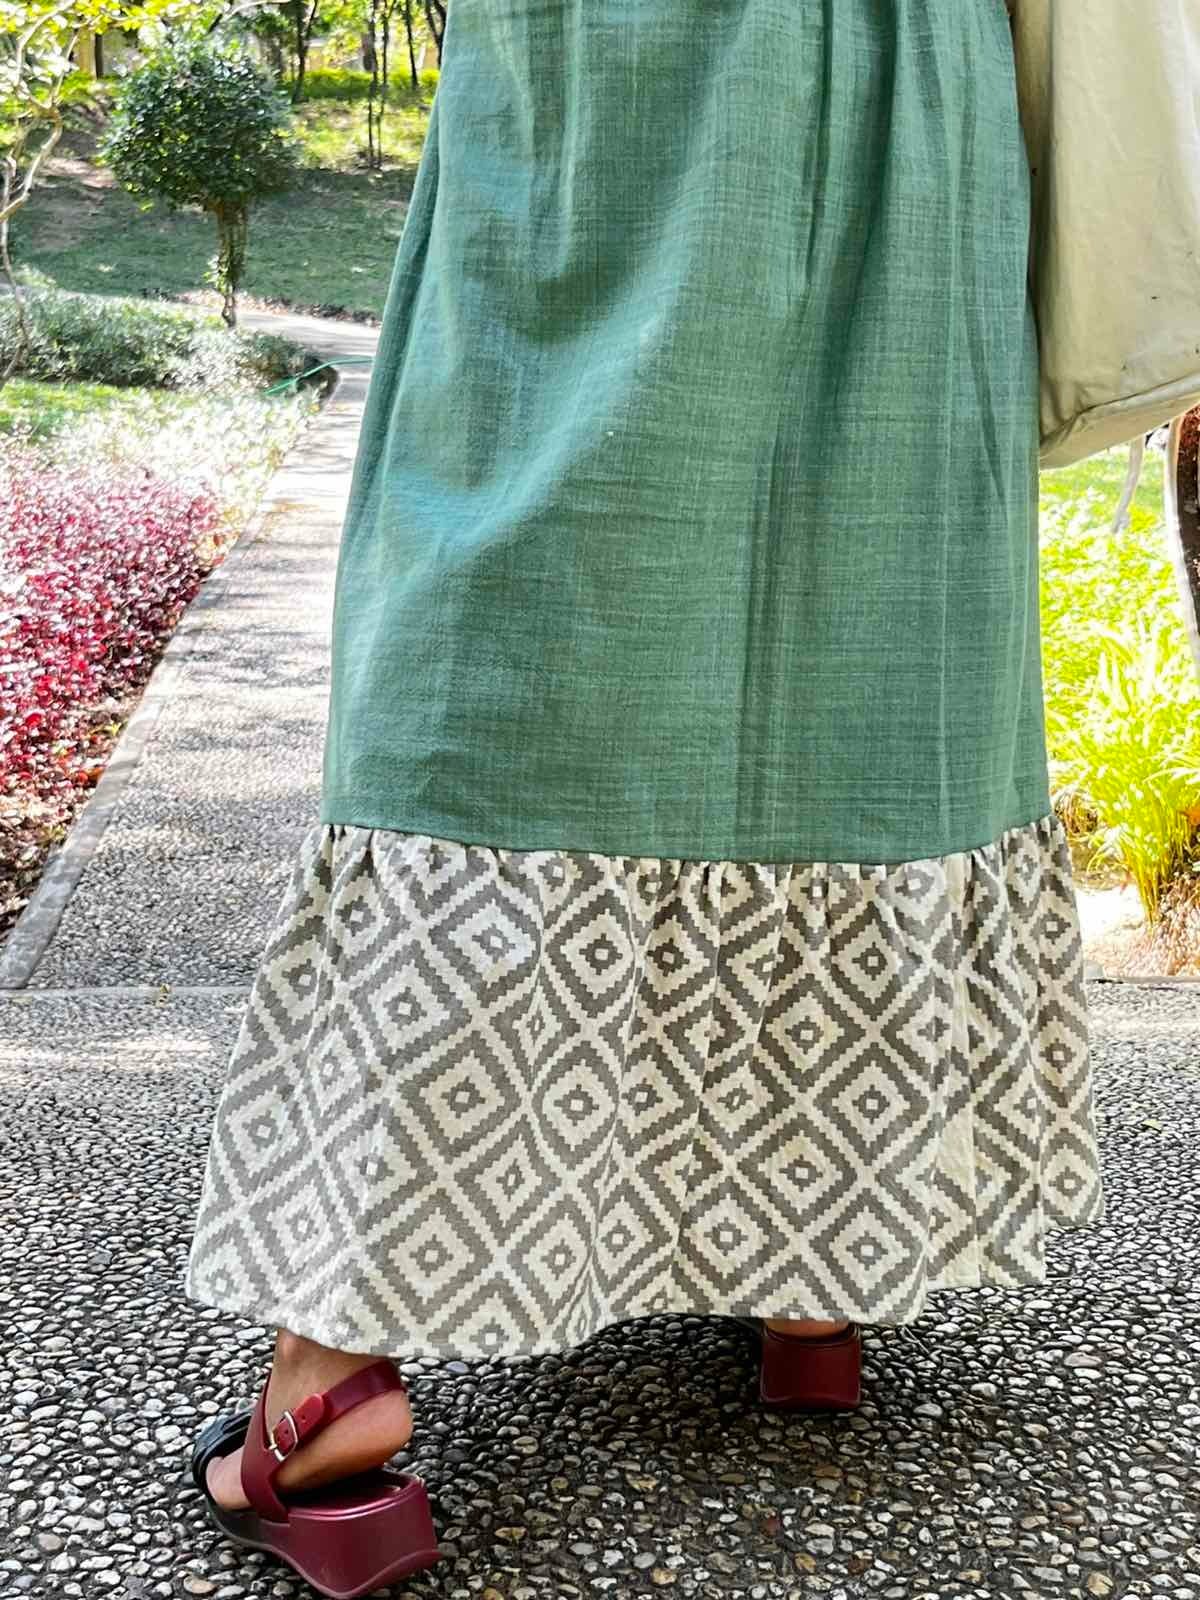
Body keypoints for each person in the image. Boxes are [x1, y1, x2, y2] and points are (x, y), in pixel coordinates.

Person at [184, 1, 1114, 1593]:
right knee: (861, 615)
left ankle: (332, 1380)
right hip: (915, 78)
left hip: (618, 61)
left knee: (519, 633)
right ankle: (818, 1272)